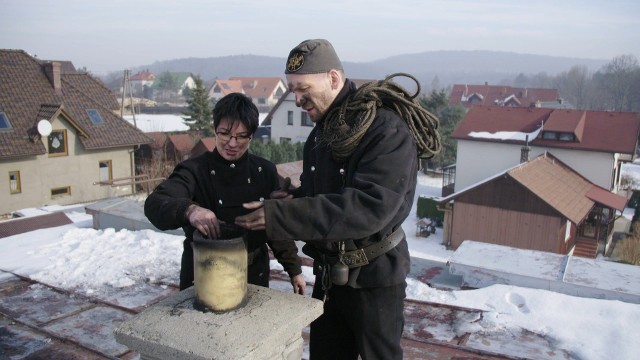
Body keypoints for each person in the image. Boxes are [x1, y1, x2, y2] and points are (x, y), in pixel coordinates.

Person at [236, 39, 440, 359]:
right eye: (292, 90)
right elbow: (327, 194)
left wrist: (281, 216)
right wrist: (293, 198)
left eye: (302, 88)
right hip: (330, 277)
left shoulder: (384, 128)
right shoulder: (323, 131)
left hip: (374, 280)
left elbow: (369, 207)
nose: (298, 99)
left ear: (333, 78)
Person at [144, 92, 306, 294]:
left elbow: (275, 227)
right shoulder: (193, 171)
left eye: (241, 136)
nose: (232, 143)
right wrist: (190, 210)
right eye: (225, 134)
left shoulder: (264, 171)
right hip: (205, 275)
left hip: (253, 275)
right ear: (215, 130)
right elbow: (155, 203)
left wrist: (294, 269)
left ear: (251, 136)